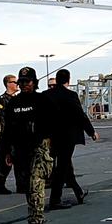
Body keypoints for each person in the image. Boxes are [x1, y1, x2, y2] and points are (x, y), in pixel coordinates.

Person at [1, 66, 56, 224]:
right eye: (21, 82)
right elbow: (7, 130)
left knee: (36, 187)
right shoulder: (13, 104)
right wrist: (8, 152)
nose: (24, 85)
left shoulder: (42, 100)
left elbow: (52, 126)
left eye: (27, 82)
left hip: (38, 150)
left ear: (34, 82)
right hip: (20, 151)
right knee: (27, 188)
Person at [43, 68, 98, 209]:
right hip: (68, 137)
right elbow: (80, 115)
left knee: (64, 165)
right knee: (62, 167)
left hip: (50, 136)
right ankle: (55, 200)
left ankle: (78, 192)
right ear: (69, 80)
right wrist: (91, 132)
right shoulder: (71, 95)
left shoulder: (46, 95)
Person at [0, 74, 19, 194]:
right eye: (14, 82)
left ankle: (21, 184)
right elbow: (1, 120)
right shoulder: (1, 100)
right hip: (7, 135)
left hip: (17, 135)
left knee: (19, 160)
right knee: (6, 161)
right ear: (8, 84)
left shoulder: (17, 99)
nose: (17, 84)